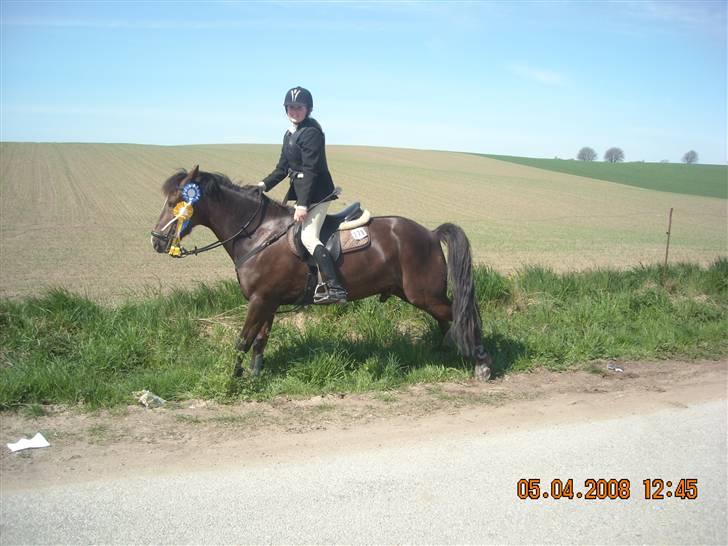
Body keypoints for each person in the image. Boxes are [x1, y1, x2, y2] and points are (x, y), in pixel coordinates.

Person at [258, 86, 348, 304]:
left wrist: (302, 205)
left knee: (308, 237)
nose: (294, 110)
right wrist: (262, 185)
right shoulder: (290, 134)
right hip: (304, 195)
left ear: (308, 109)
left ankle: (336, 289)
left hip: (317, 195)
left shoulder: (311, 133)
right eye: (290, 107)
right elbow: (282, 168)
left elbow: (310, 170)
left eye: (299, 107)